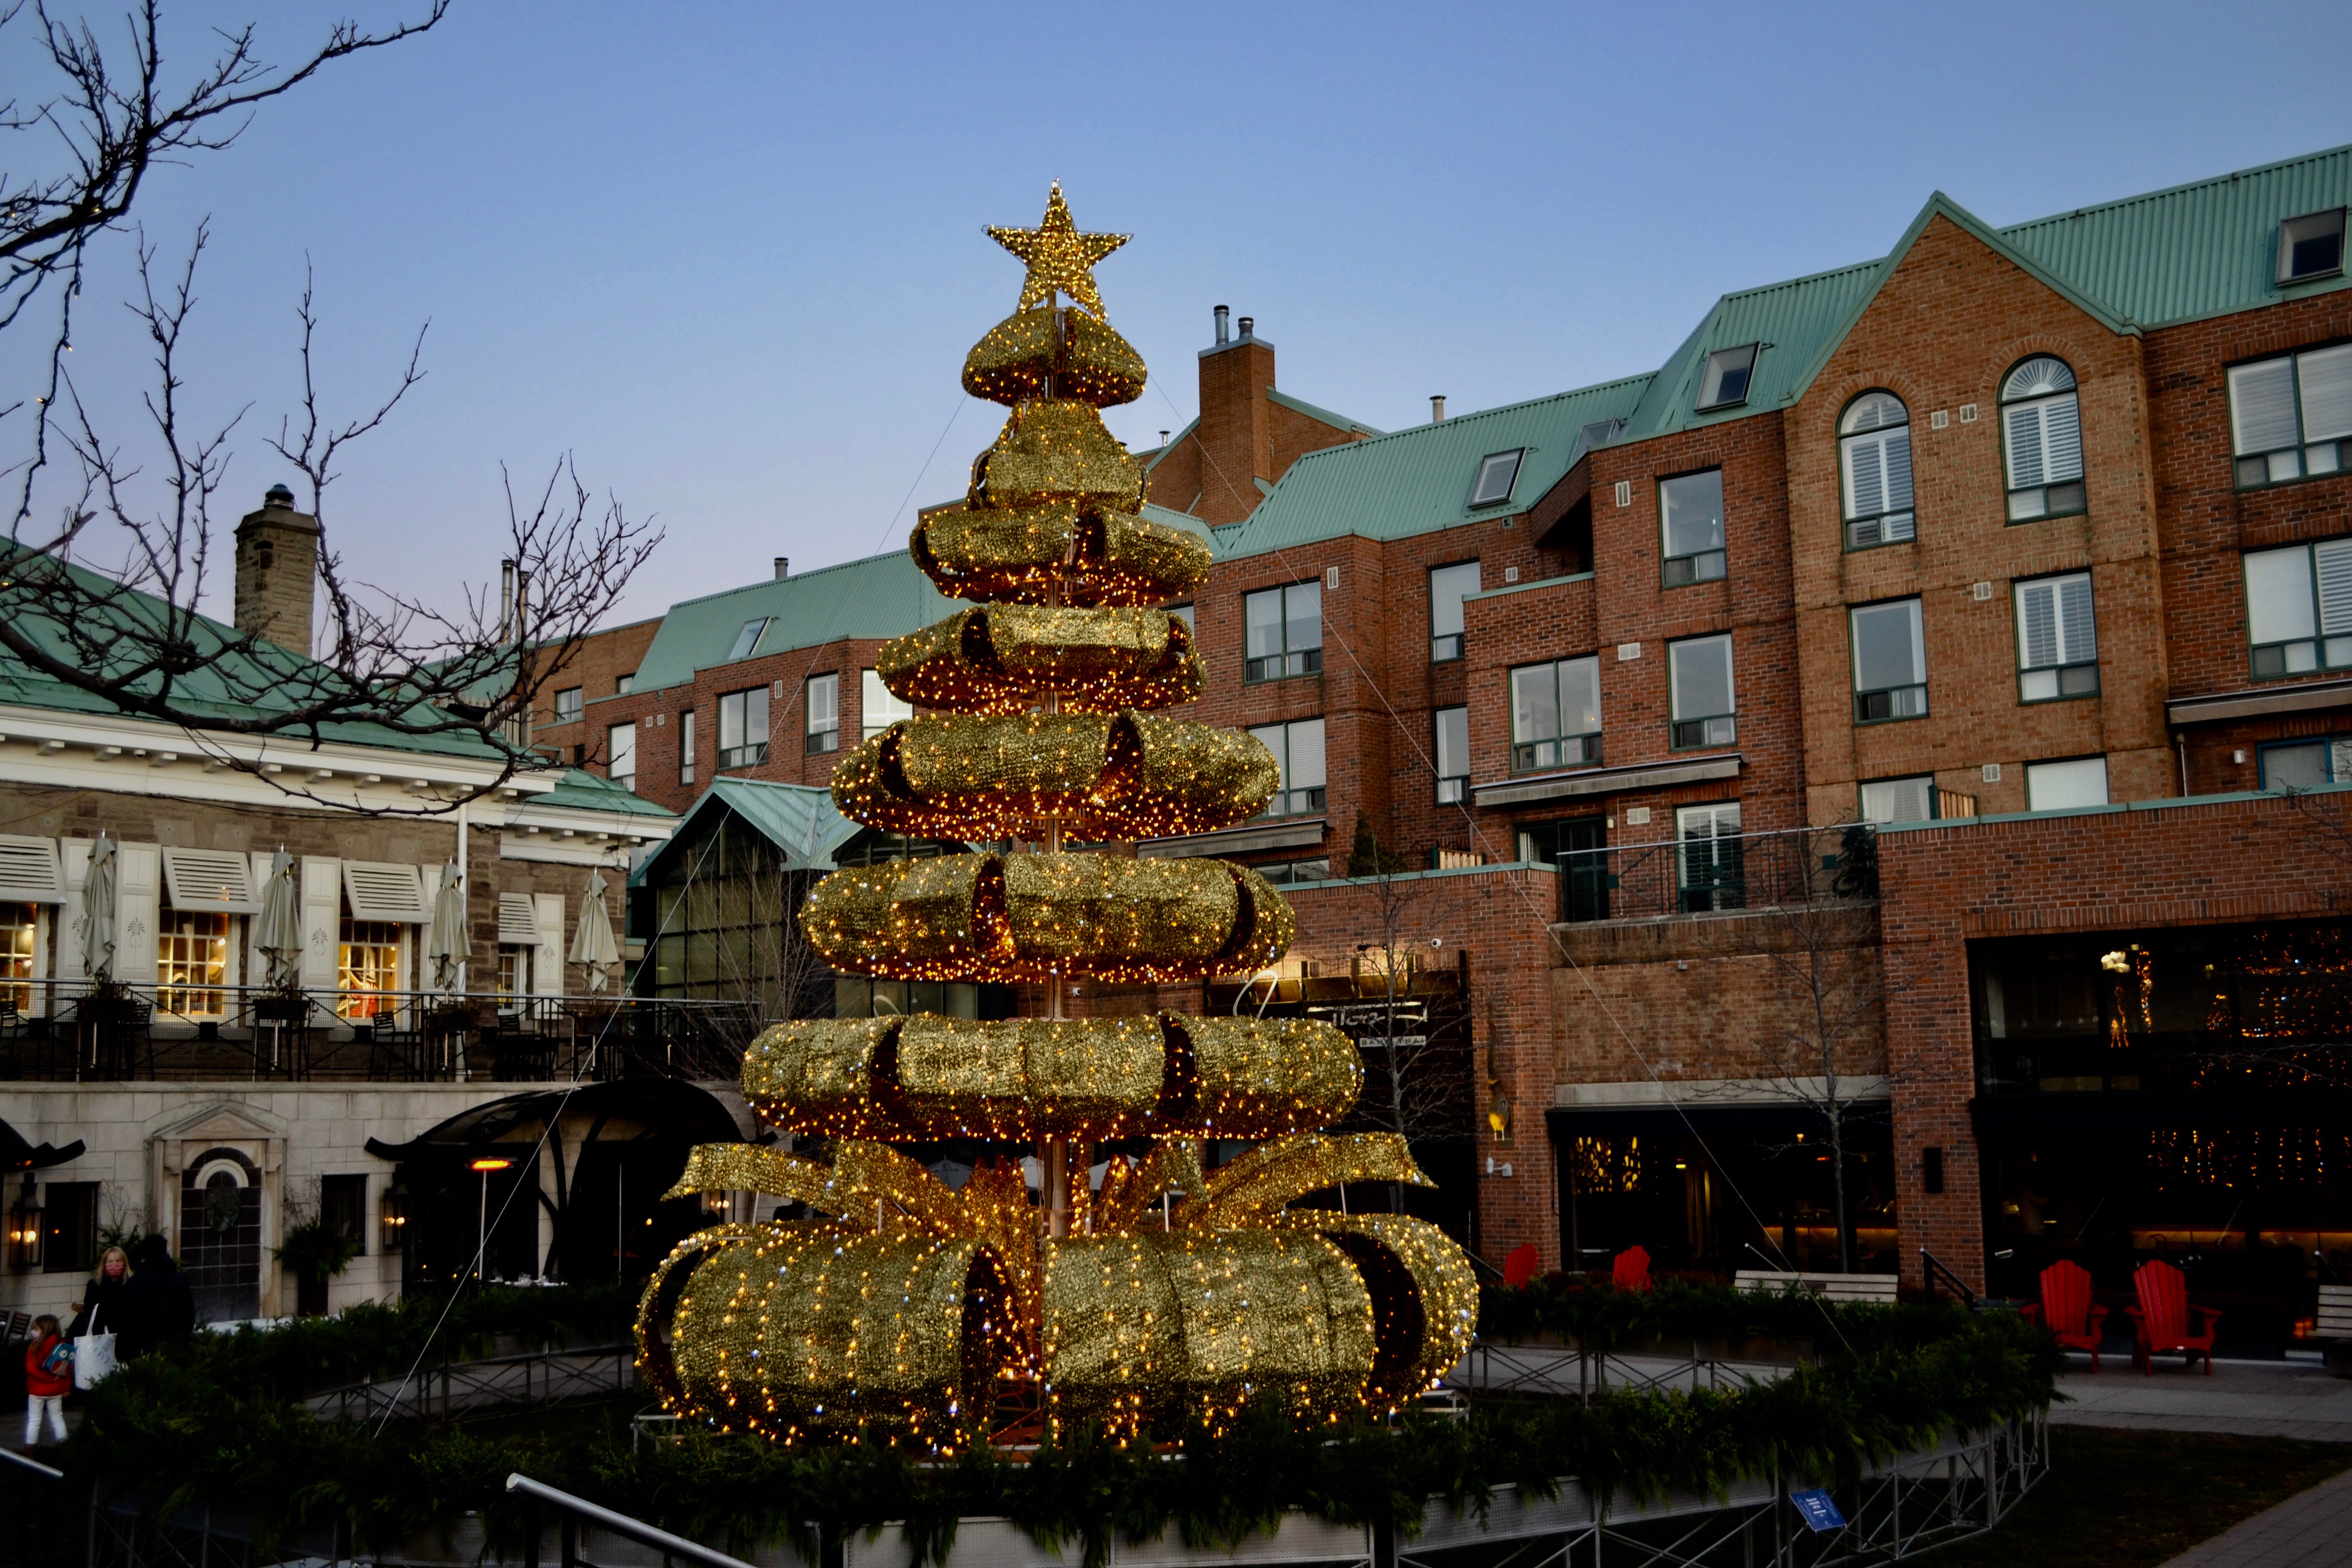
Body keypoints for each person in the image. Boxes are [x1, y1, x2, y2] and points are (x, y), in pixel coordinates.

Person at [116, 1234, 196, 1360]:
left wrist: (122, 1352)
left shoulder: (138, 1281)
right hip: (174, 1349)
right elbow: (189, 1315)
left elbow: (129, 1319)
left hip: (144, 1351)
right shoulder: (179, 1279)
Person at [22, 1315, 70, 1449]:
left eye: (36, 1329)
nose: (33, 1332)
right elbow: (67, 1369)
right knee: (58, 1419)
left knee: (34, 1421)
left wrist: (46, 1379)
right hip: (56, 1389)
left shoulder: (35, 1347)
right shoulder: (62, 1346)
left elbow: (30, 1369)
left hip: (37, 1390)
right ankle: (64, 1448)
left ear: (45, 1329)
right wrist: (66, 1387)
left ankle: (30, 1451)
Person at [66, 1244, 130, 1340]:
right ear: (104, 1264)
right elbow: (90, 1311)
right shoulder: (95, 1284)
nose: (115, 1264)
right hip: (98, 1335)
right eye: (111, 1261)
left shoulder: (131, 1283)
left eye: (118, 1261)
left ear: (124, 1263)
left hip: (124, 1335)